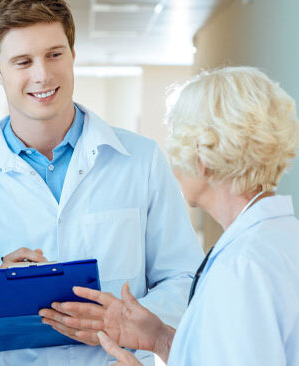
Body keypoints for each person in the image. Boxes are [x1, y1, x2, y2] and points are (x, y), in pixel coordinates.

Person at [0, 0, 204, 364]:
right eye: (22, 62)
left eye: (54, 55)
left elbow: (184, 279)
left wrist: (129, 321)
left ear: (73, 53)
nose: (42, 75)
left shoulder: (141, 161)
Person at [75, 67, 299, 365]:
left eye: (177, 138)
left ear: (203, 157)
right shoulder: (280, 238)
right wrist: (162, 339)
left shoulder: (242, 267)